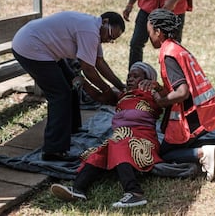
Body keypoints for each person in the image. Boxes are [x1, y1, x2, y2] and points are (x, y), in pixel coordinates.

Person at [12, 11, 126, 162]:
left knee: (71, 84)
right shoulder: (90, 30)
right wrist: (107, 92)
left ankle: (72, 129)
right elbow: (88, 70)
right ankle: (54, 150)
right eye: (110, 35)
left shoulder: (94, 29)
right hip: (30, 46)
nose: (108, 40)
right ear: (104, 21)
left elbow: (100, 63)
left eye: (112, 40)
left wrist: (121, 86)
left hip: (44, 48)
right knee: (60, 94)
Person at [140, 8, 215, 181]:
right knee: (179, 144)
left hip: (191, 115)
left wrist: (161, 102)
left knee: (165, 154)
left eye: (150, 33)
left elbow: (182, 92)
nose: (149, 38)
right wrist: (157, 87)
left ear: (158, 31)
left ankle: (204, 153)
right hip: (204, 110)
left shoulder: (168, 53)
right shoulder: (177, 48)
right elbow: (176, 84)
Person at [51, 62, 163, 208]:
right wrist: (83, 83)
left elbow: (171, 93)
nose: (130, 79)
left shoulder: (153, 94)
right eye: (129, 76)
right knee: (99, 152)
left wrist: (157, 85)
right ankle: (78, 189)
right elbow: (99, 96)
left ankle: (134, 193)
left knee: (118, 141)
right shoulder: (122, 96)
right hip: (121, 138)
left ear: (147, 79)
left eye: (136, 76)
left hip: (144, 142)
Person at [123, 0, 198, 69]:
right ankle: (134, 78)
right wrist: (130, 4)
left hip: (173, 11)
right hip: (147, 9)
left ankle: (174, 81)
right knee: (136, 43)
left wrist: (173, 1)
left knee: (173, 48)